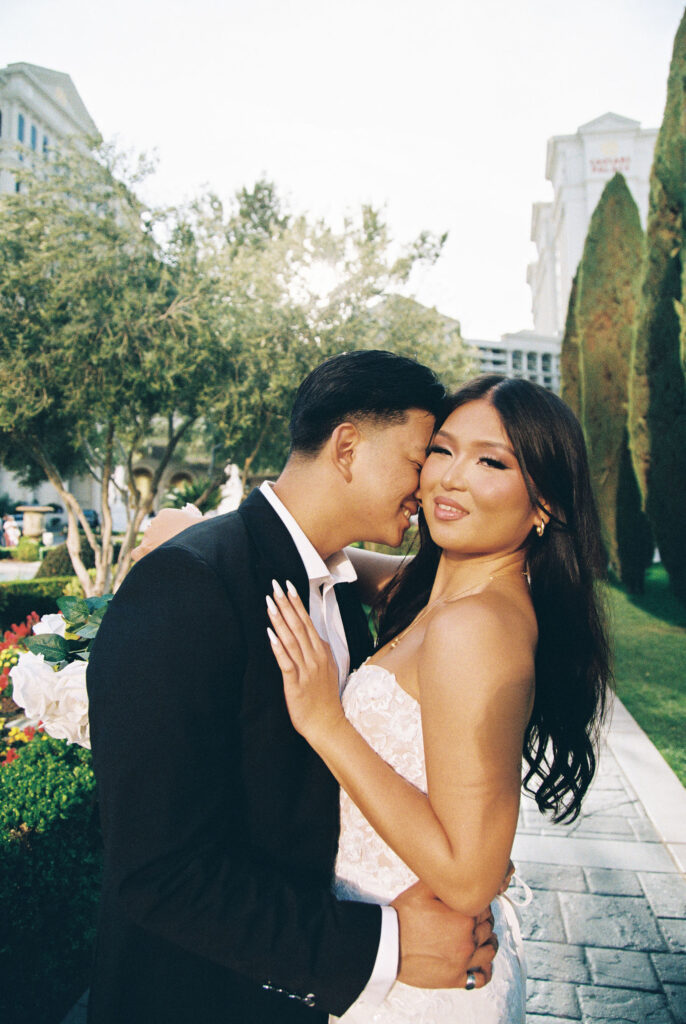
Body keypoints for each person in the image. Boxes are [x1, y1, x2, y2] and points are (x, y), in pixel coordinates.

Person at [86, 351, 499, 1024]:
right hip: (198, 1001)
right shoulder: (188, 585)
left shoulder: (335, 590)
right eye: (420, 459)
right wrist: (385, 947)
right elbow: (157, 872)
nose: (428, 487)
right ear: (347, 447)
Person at [266, 374, 613, 1022]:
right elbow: (346, 558)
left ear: (546, 505)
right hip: (389, 952)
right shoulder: (439, 596)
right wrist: (220, 530)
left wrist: (325, 721)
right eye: (442, 451)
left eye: (491, 462)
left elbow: (470, 876)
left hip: (421, 985)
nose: (450, 479)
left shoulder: (474, 628)